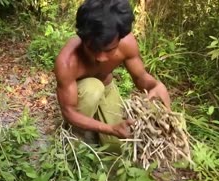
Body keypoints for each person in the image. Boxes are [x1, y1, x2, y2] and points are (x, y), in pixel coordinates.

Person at [54, 0, 172, 152]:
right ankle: (73, 138)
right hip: (84, 95)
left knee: (117, 148)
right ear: (83, 38)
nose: (101, 58)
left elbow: (140, 77)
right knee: (93, 87)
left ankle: (98, 131)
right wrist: (109, 128)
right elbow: (68, 111)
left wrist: (155, 85)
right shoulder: (67, 62)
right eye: (93, 49)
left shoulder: (127, 44)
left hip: (107, 87)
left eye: (109, 50)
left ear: (120, 38)